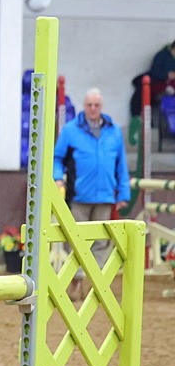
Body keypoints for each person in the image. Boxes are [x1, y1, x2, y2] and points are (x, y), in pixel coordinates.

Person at [53, 88, 131, 300]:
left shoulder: (114, 131)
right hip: (78, 196)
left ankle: (94, 283)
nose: (93, 109)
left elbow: (121, 165)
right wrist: (57, 177)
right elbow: (56, 158)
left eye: (96, 105)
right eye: (89, 105)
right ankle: (77, 281)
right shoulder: (70, 131)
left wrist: (123, 193)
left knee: (100, 242)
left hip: (105, 197)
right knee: (77, 241)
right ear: (84, 106)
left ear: (101, 106)